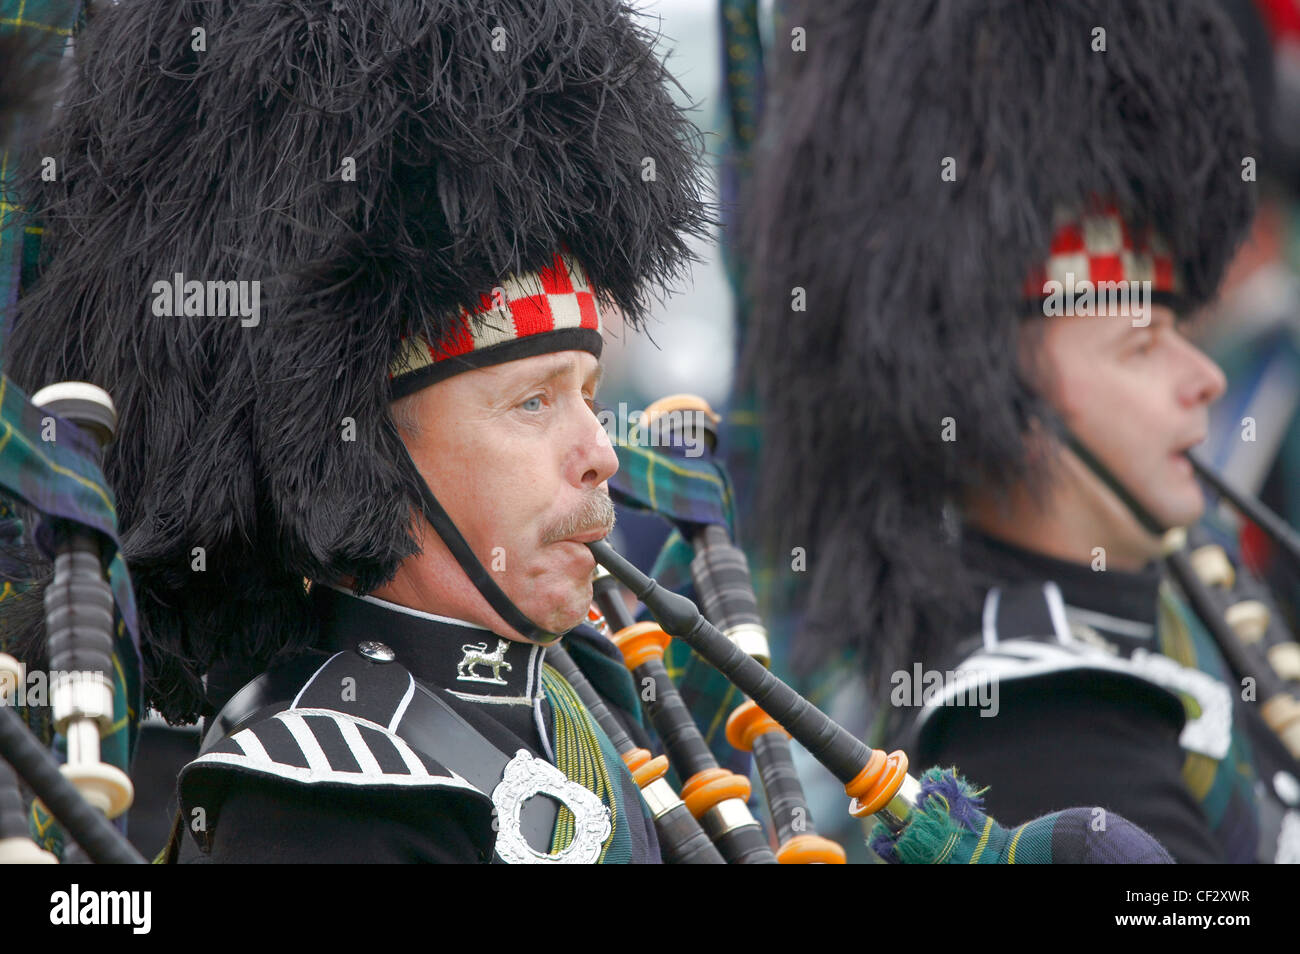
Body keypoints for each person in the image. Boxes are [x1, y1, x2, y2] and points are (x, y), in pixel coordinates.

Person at [4, 0, 711, 863]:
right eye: (533, 402)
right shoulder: (314, 798)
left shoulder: (584, 693)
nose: (601, 452)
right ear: (367, 454)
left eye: (589, 396)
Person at [741, 0, 1300, 862]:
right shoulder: (1043, 722)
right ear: (996, 396)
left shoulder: (1182, 579)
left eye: (1182, 332)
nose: (1207, 379)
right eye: (1142, 345)